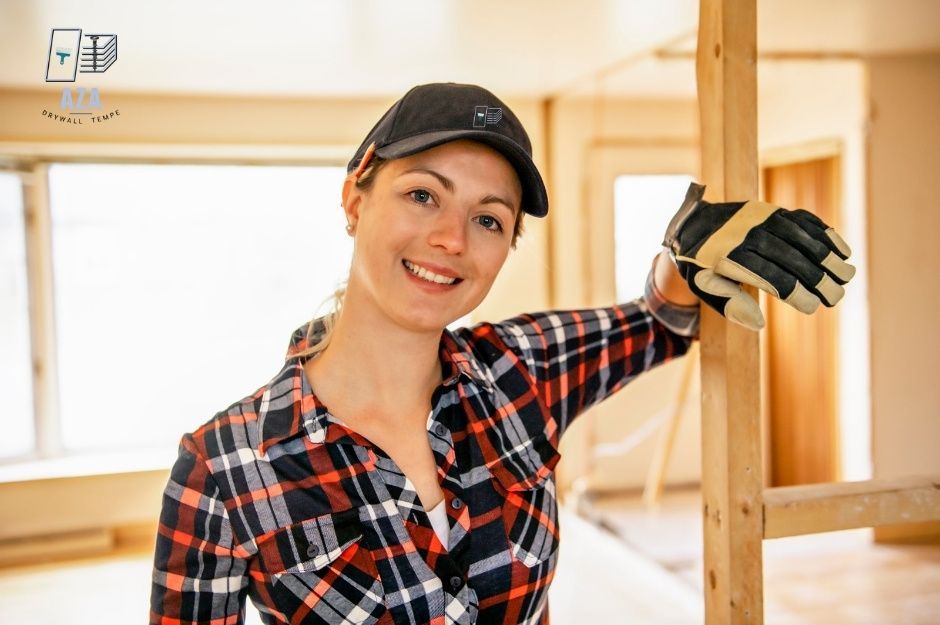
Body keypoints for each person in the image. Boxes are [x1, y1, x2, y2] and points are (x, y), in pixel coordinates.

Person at [149, 82, 854, 625]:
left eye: (488, 218)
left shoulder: (520, 370)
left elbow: (658, 323)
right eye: (423, 194)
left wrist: (681, 260)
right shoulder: (224, 466)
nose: (452, 239)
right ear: (354, 198)